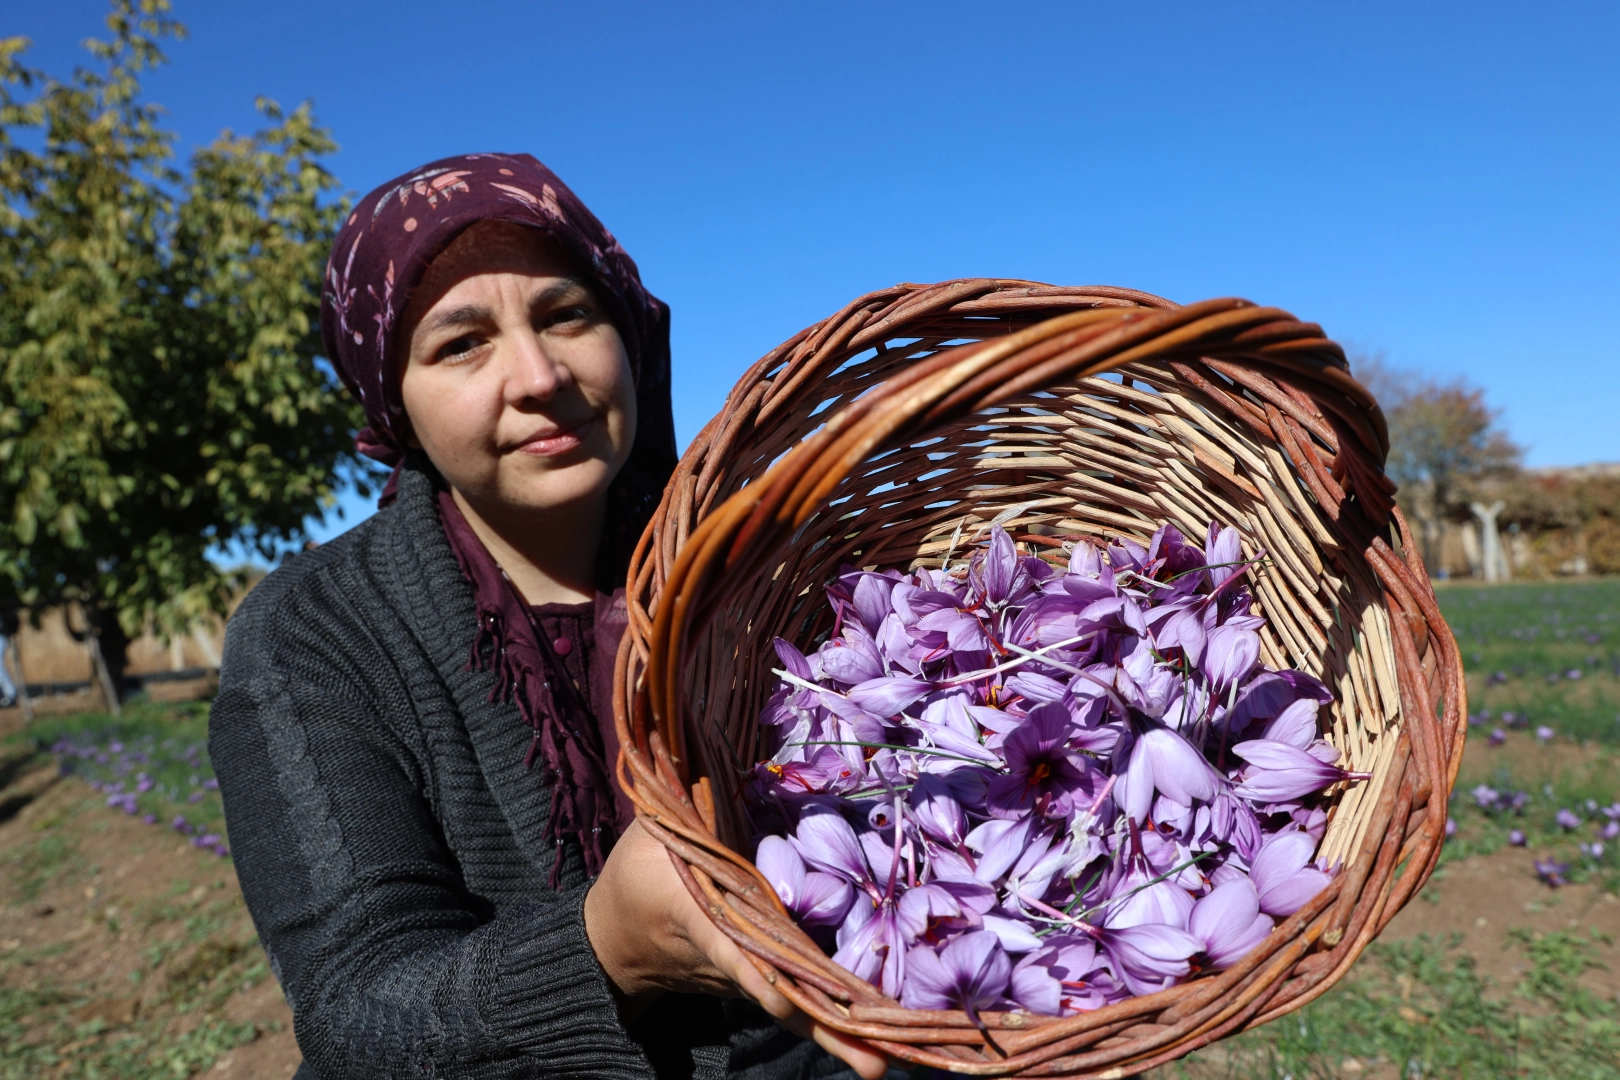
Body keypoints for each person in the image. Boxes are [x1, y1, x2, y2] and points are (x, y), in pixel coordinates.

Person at [208, 154, 892, 1080]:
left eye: (569, 315)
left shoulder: (761, 570)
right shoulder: (315, 634)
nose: (537, 374)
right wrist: (606, 946)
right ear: (394, 404)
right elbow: (359, 1016)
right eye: (461, 344)